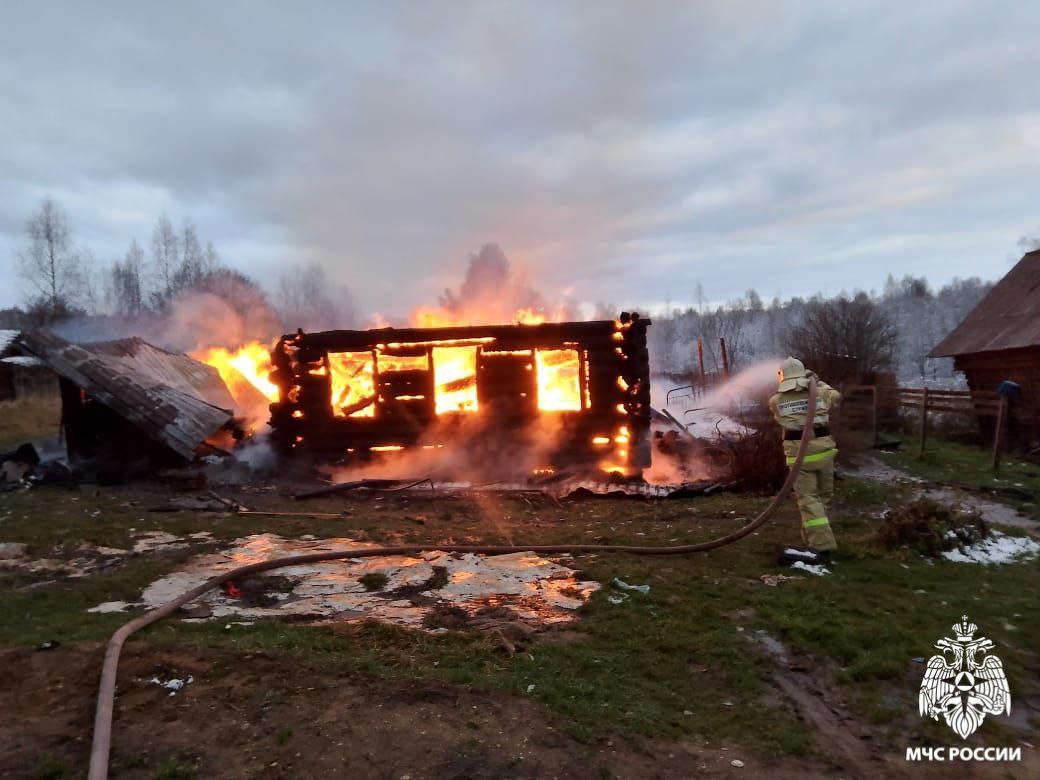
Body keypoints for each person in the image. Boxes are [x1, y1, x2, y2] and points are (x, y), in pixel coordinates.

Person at [768, 357, 841, 564]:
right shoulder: (820, 392)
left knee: (809, 500)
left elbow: (780, 414)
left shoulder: (776, 401)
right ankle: (814, 538)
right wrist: (817, 382)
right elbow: (836, 396)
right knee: (822, 498)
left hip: (800, 458)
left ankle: (821, 546)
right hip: (825, 453)